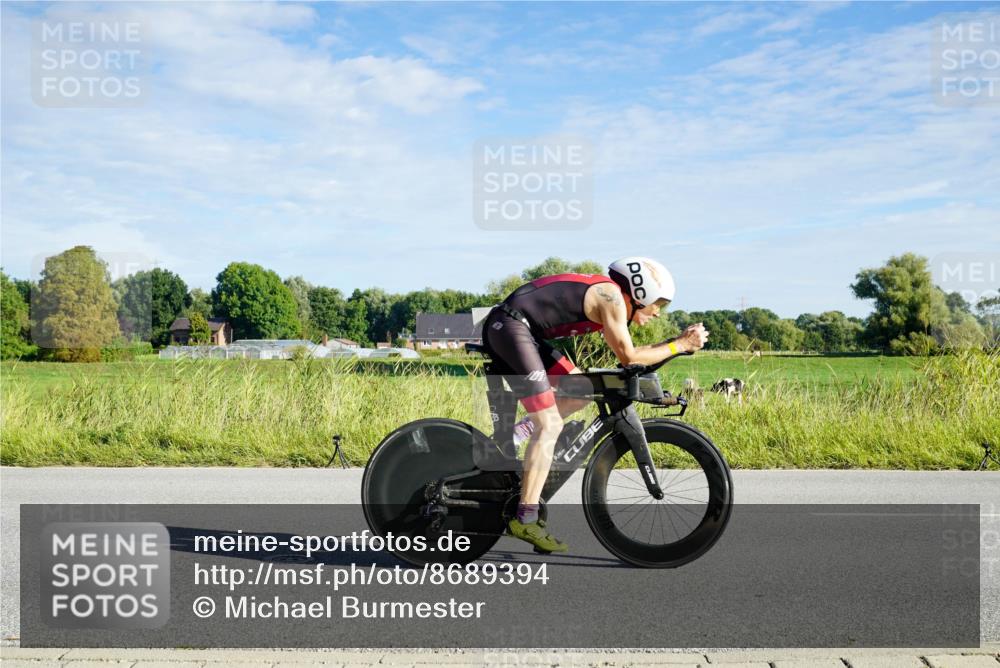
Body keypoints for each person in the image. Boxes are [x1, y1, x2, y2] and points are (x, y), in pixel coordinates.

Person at [481, 257, 710, 553]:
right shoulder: (611, 296)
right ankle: (524, 517)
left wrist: (677, 344)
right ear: (641, 292)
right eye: (659, 303)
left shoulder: (611, 297)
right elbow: (629, 358)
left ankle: (517, 434)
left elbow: (632, 356)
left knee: (581, 390)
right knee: (550, 424)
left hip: (523, 331)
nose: (657, 312)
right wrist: (680, 345)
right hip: (510, 327)